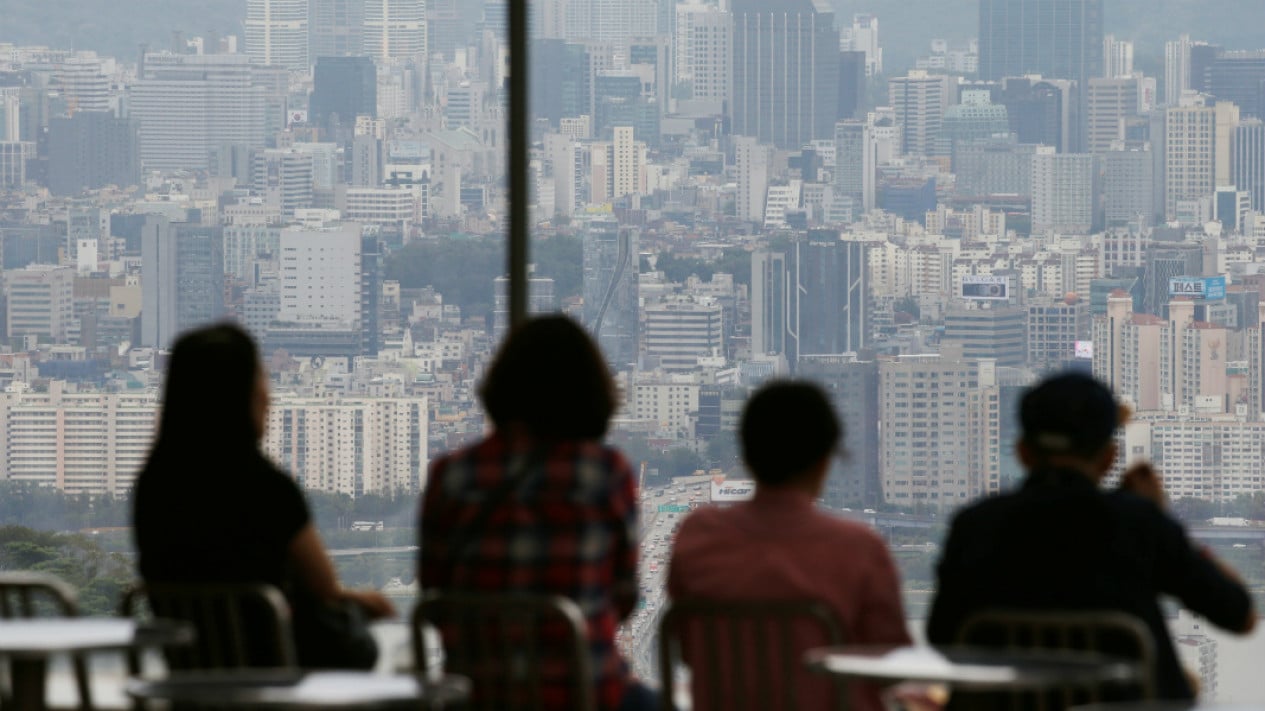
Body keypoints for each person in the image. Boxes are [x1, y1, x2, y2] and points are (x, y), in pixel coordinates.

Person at [927, 372, 1257, 699]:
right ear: (1109, 458)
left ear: (1023, 453)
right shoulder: (1138, 525)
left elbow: (941, 636)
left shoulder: (974, 526)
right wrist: (1163, 522)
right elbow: (1240, 615)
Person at [419, 316, 655, 711]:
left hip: (477, 698)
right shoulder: (605, 473)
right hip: (582, 695)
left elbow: (434, 593)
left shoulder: (453, 474)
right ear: (592, 393)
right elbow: (624, 597)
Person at [133, 323, 394, 669]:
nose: (268, 395)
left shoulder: (153, 488)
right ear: (242, 394)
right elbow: (325, 589)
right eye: (261, 380)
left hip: (190, 668)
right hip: (274, 663)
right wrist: (374, 603)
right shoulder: (267, 488)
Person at [667, 381, 912, 711]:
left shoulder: (698, 536)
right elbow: (891, 662)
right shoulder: (859, 549)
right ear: (824, 461)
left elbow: (687, 647)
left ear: (748, 456)